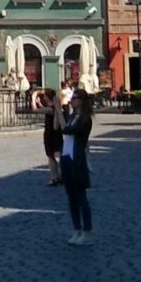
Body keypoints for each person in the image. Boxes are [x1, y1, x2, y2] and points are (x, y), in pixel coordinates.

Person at [61, 85, 95, 245]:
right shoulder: (73, 116)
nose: (71, 100)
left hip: (77, 159)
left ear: (81, 101)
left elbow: (67, 130)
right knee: (71, 198)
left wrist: (57, 111)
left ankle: (87, 232)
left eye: (74, 98)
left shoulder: (84, 119)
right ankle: (77, 230)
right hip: (67, 157)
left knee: (81, 197)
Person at [40, 89, 64, 185]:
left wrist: (33, 99)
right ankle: (58, 176)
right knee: (54, 155)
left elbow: (34, 109)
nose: (43, 97)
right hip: (53, 134)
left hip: (52, 134)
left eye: (45, 95)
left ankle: (56, 177)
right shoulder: (52, 108)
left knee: (53, 156)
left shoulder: (52, 109)